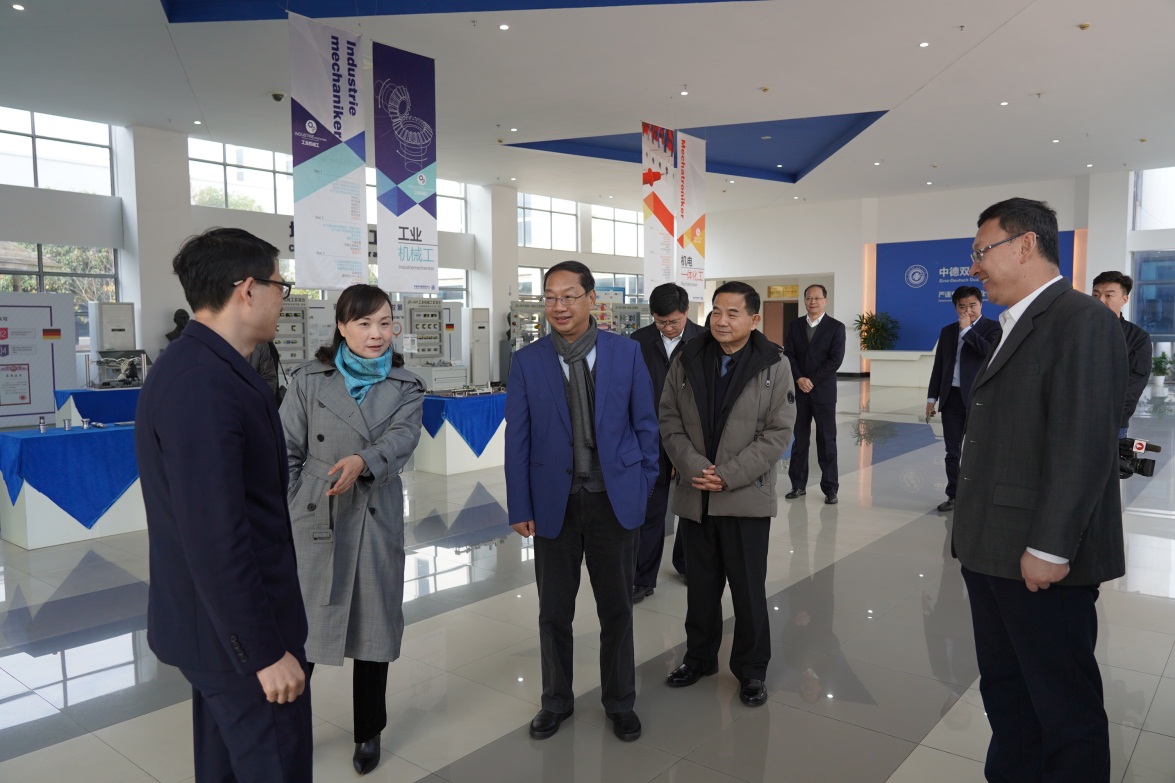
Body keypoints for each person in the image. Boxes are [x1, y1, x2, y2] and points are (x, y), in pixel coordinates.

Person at [954, 197, 1126, 781]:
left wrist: (1050, 547)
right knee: (1008, 694)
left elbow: (1084, 442)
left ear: (1025, 244)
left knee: (1063, 705)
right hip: (991, 548)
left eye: (982, 251)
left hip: (1041, 557)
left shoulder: (1082, 320)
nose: (974, 266)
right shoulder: (1011, 325)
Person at [135, 228, 311, 782]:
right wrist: (262, 652)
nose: (284, 299)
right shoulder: (201, 382)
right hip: (235, 642)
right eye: (281, 285)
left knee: (225, 769)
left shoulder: (210, 366)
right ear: (248, 288)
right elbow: (215, 533)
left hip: (216, 633)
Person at [505, 260, 660, 743]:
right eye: (550, 297)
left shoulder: (625, 353)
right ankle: (555, 700)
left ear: (592, 299)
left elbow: (646, 424)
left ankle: (620, 701)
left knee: (617, 609)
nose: (559, 306)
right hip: (555, 503)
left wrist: (643, 483)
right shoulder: (528, 361)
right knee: (554, 612)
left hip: (614, 499)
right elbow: (518, 440)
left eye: (569, 296)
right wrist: (519, 505)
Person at [280, 284, 425, 776]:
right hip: (315, 512)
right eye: (364, 323)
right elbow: (286, 449)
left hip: (375, 511)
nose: (376, 333)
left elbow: (403, 438)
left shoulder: (407, 386)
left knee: (373, 629)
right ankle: (287, 728)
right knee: (304, 629)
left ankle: (369, 732)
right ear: (341, 327)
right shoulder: (309, 380)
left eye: (384, 323)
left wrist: (365, 460)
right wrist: (298, 499)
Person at [659, 281, 796, 707]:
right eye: (716, 311)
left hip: (744, 497)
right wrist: (695, 468)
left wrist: (728, 475)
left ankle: (751, 670)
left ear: (754, 319)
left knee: (747, 589)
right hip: (697, 492)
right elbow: (668, 418)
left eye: (732, 313)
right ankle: (699, 658)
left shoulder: (774, 364)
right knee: (700, 588)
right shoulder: (688, 357)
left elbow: (778, 433)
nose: (721, 320)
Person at [630, 282, 705, 595]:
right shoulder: (638, 341)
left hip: (692, 439)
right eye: (661, 322)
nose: (668, 328)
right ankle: (642, 578)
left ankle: (686, 564)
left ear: (686, 311)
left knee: (691, 505)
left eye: (674, 321)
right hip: (649, 437)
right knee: (651, 507)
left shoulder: (705, 340)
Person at [925, 285, 1001, 512]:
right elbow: (939, 367)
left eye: (972, 305)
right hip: (952, 398)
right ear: (955, 308)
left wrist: (967, 330)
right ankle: (954, 494)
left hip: (980, 399)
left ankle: (980, 495)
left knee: (980, 450)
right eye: (962, 306)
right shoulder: (948, 331)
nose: (968, 310)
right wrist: (932, 398)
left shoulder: (994, 328)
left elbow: (989, 353)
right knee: (952, 451)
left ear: (981, 304)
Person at [783, 284, 846, 504]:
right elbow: (788, 354)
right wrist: (799, 378)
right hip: (799, 391)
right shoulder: (794, 326)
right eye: (809, 298)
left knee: (827, 441)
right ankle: (797, 485)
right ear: (805, 301)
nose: (813, 302)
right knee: (799, 441)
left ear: (825, 301)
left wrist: (812, 380)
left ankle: (830, 489)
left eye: (817, 298)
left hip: (823, 393)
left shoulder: (836, 327)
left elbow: (835, 360)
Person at [1092, 270, 1151, 436]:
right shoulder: (1077, 330)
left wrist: (1109, 416)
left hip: (1112, 423)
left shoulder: (1138, 338)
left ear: (1124, 299)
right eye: (1095, 295)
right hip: (1071, 419)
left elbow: (1133, 386)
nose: (1100, 301)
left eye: (1109, 295)